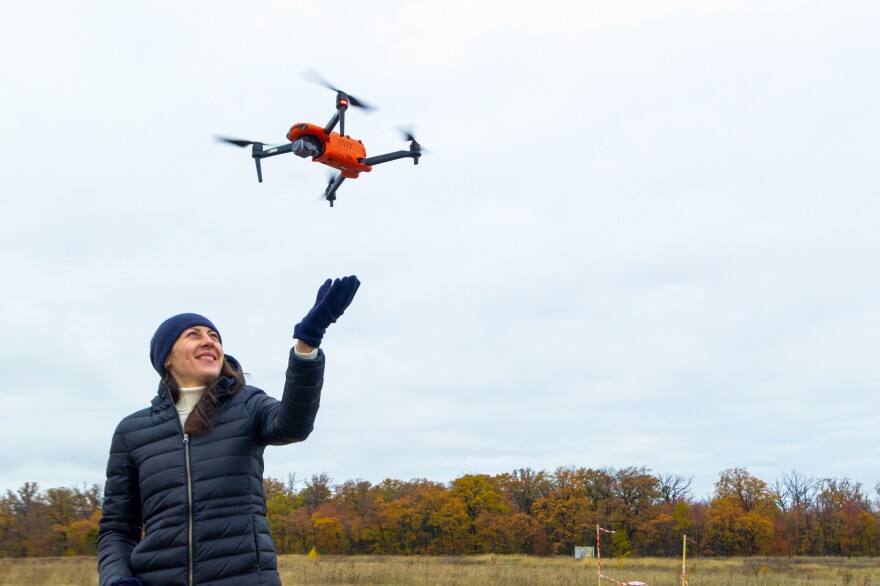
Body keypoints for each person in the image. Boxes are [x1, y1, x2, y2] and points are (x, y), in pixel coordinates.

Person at [97, 276, 360, 586]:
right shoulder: (132, 432)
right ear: (166, 358)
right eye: (193, 335)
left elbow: (294, 424)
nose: (209, 341)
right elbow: (117, 528)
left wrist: (307, 343)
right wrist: (116, 579)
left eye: (214, 336)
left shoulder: (247, 404)